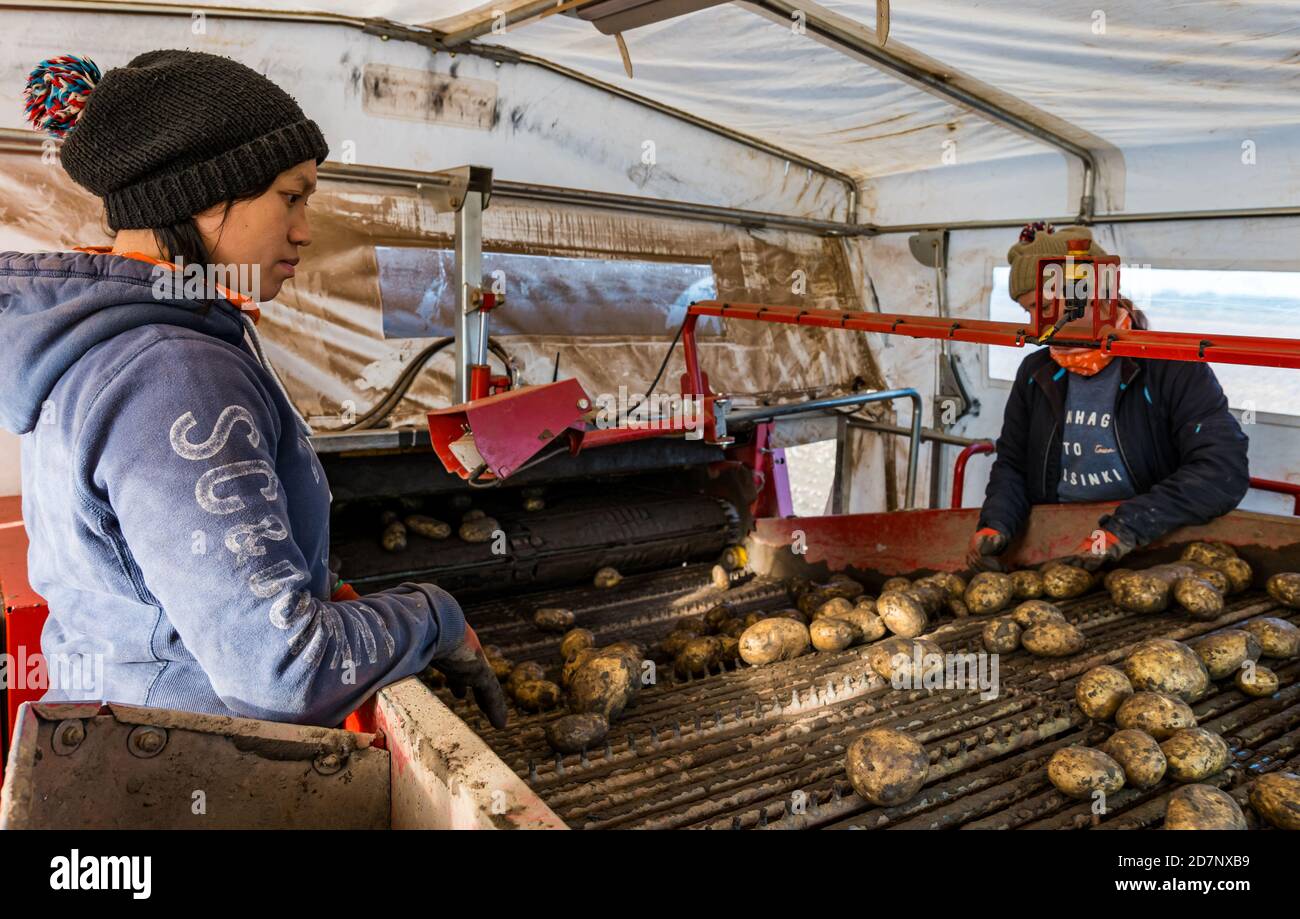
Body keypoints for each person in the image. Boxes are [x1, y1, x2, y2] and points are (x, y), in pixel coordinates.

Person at [0, 50, 507, 729]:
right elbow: (284, 672)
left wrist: (325, 598)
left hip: (112, 744)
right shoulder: (175, 372)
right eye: (291, 196)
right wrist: (436, 618)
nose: (304, 229)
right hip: (184, 770)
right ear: (202, 196)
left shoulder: (99, 342)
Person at [966, 223, 1250, 572]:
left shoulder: (1172, 369)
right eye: (1029, 312)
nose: (1041, 326)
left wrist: (1125, 528)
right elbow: (1013, 463)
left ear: (1096, 295)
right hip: (1059, 547)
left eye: (1049, 307)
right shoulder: (1035, 372)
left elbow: (1221, 470)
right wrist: (997, 522)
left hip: (1146, 549)